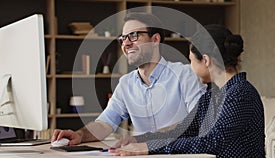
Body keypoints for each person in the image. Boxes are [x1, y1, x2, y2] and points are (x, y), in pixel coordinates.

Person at [109, 24, 265, 157]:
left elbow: (212, 141)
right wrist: (140, 140)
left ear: (206, 60)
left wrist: (150, 148)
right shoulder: (211, 96)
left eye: (191, 60)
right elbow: (183, 129)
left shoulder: (241, 93)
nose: (190, 67)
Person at [51, 12, 207, 145]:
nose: (125, 44)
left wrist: (144, 140)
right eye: (123, 38)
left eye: (133, 36)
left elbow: (197, 121)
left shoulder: (185, 75)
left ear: (155, 40)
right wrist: (79, 135)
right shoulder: (126, 84)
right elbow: (104, 123)